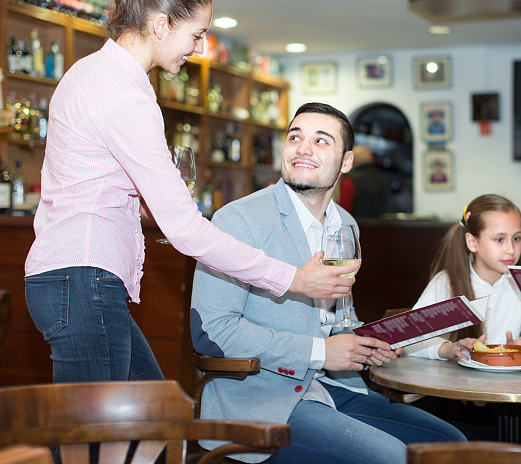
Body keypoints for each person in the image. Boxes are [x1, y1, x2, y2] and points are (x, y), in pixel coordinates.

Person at [23, 0, 357, 385]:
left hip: (68, 276)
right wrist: (293, 279)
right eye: (196, 34)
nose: (199, 48)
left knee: (142, 423)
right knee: (97, 437)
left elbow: (93, 183)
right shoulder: (126, 95)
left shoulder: (90, 72)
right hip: (84, 278)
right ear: (162, 24)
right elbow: (185, 229)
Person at [191, 102, 466, 464]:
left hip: (331, 387)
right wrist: (322, 352)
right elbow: (212, 332)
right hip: (261, 399)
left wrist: (368, 343)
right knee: (392, 457)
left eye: (321, 141)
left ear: (346, 161)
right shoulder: (237, 220)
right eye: (295, 137)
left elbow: (339, 322)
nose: (303, 148)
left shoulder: (346, 225)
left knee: (450, 441)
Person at [405, 194, 521, 443]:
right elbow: (408, 341)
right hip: (444, 400)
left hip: (501, 402)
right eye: (499, 239)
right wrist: (448, 349)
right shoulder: (447, 283)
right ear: (472, 242)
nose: (511, 249)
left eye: (517, 238)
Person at [337, 144, 388, 218]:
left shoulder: (349, 180)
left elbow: (344, 210)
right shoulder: (382, 177)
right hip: (379, 225)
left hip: (357, 225)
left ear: (354, 161)